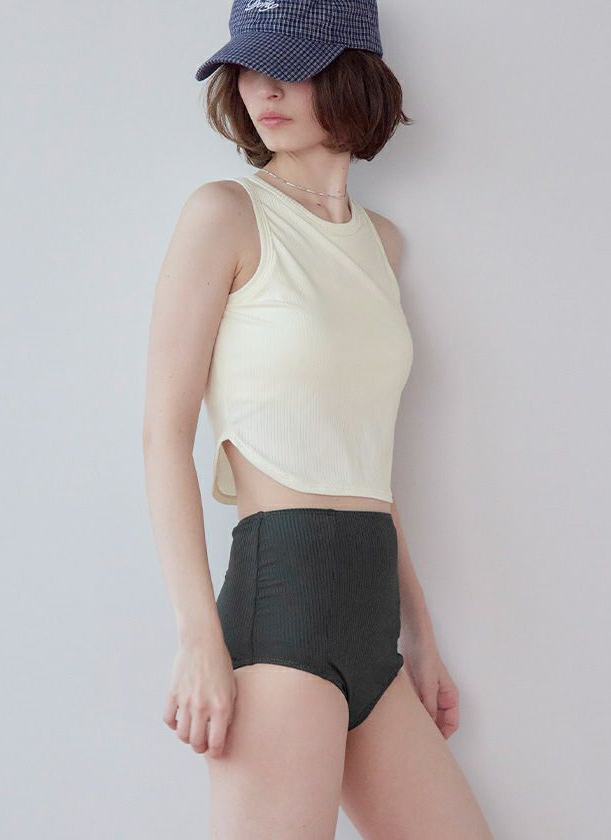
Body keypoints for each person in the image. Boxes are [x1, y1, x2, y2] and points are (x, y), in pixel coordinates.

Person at [143, 1, 494, 837]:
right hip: (281, 609)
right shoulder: (225, 214)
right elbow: (163, 434)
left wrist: (420, 634)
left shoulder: (383, 245)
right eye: (248, 67)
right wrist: (198, 637)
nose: (262, 88)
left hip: (371, 613)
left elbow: (365, 459)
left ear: (352, 71)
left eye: (290, 66)